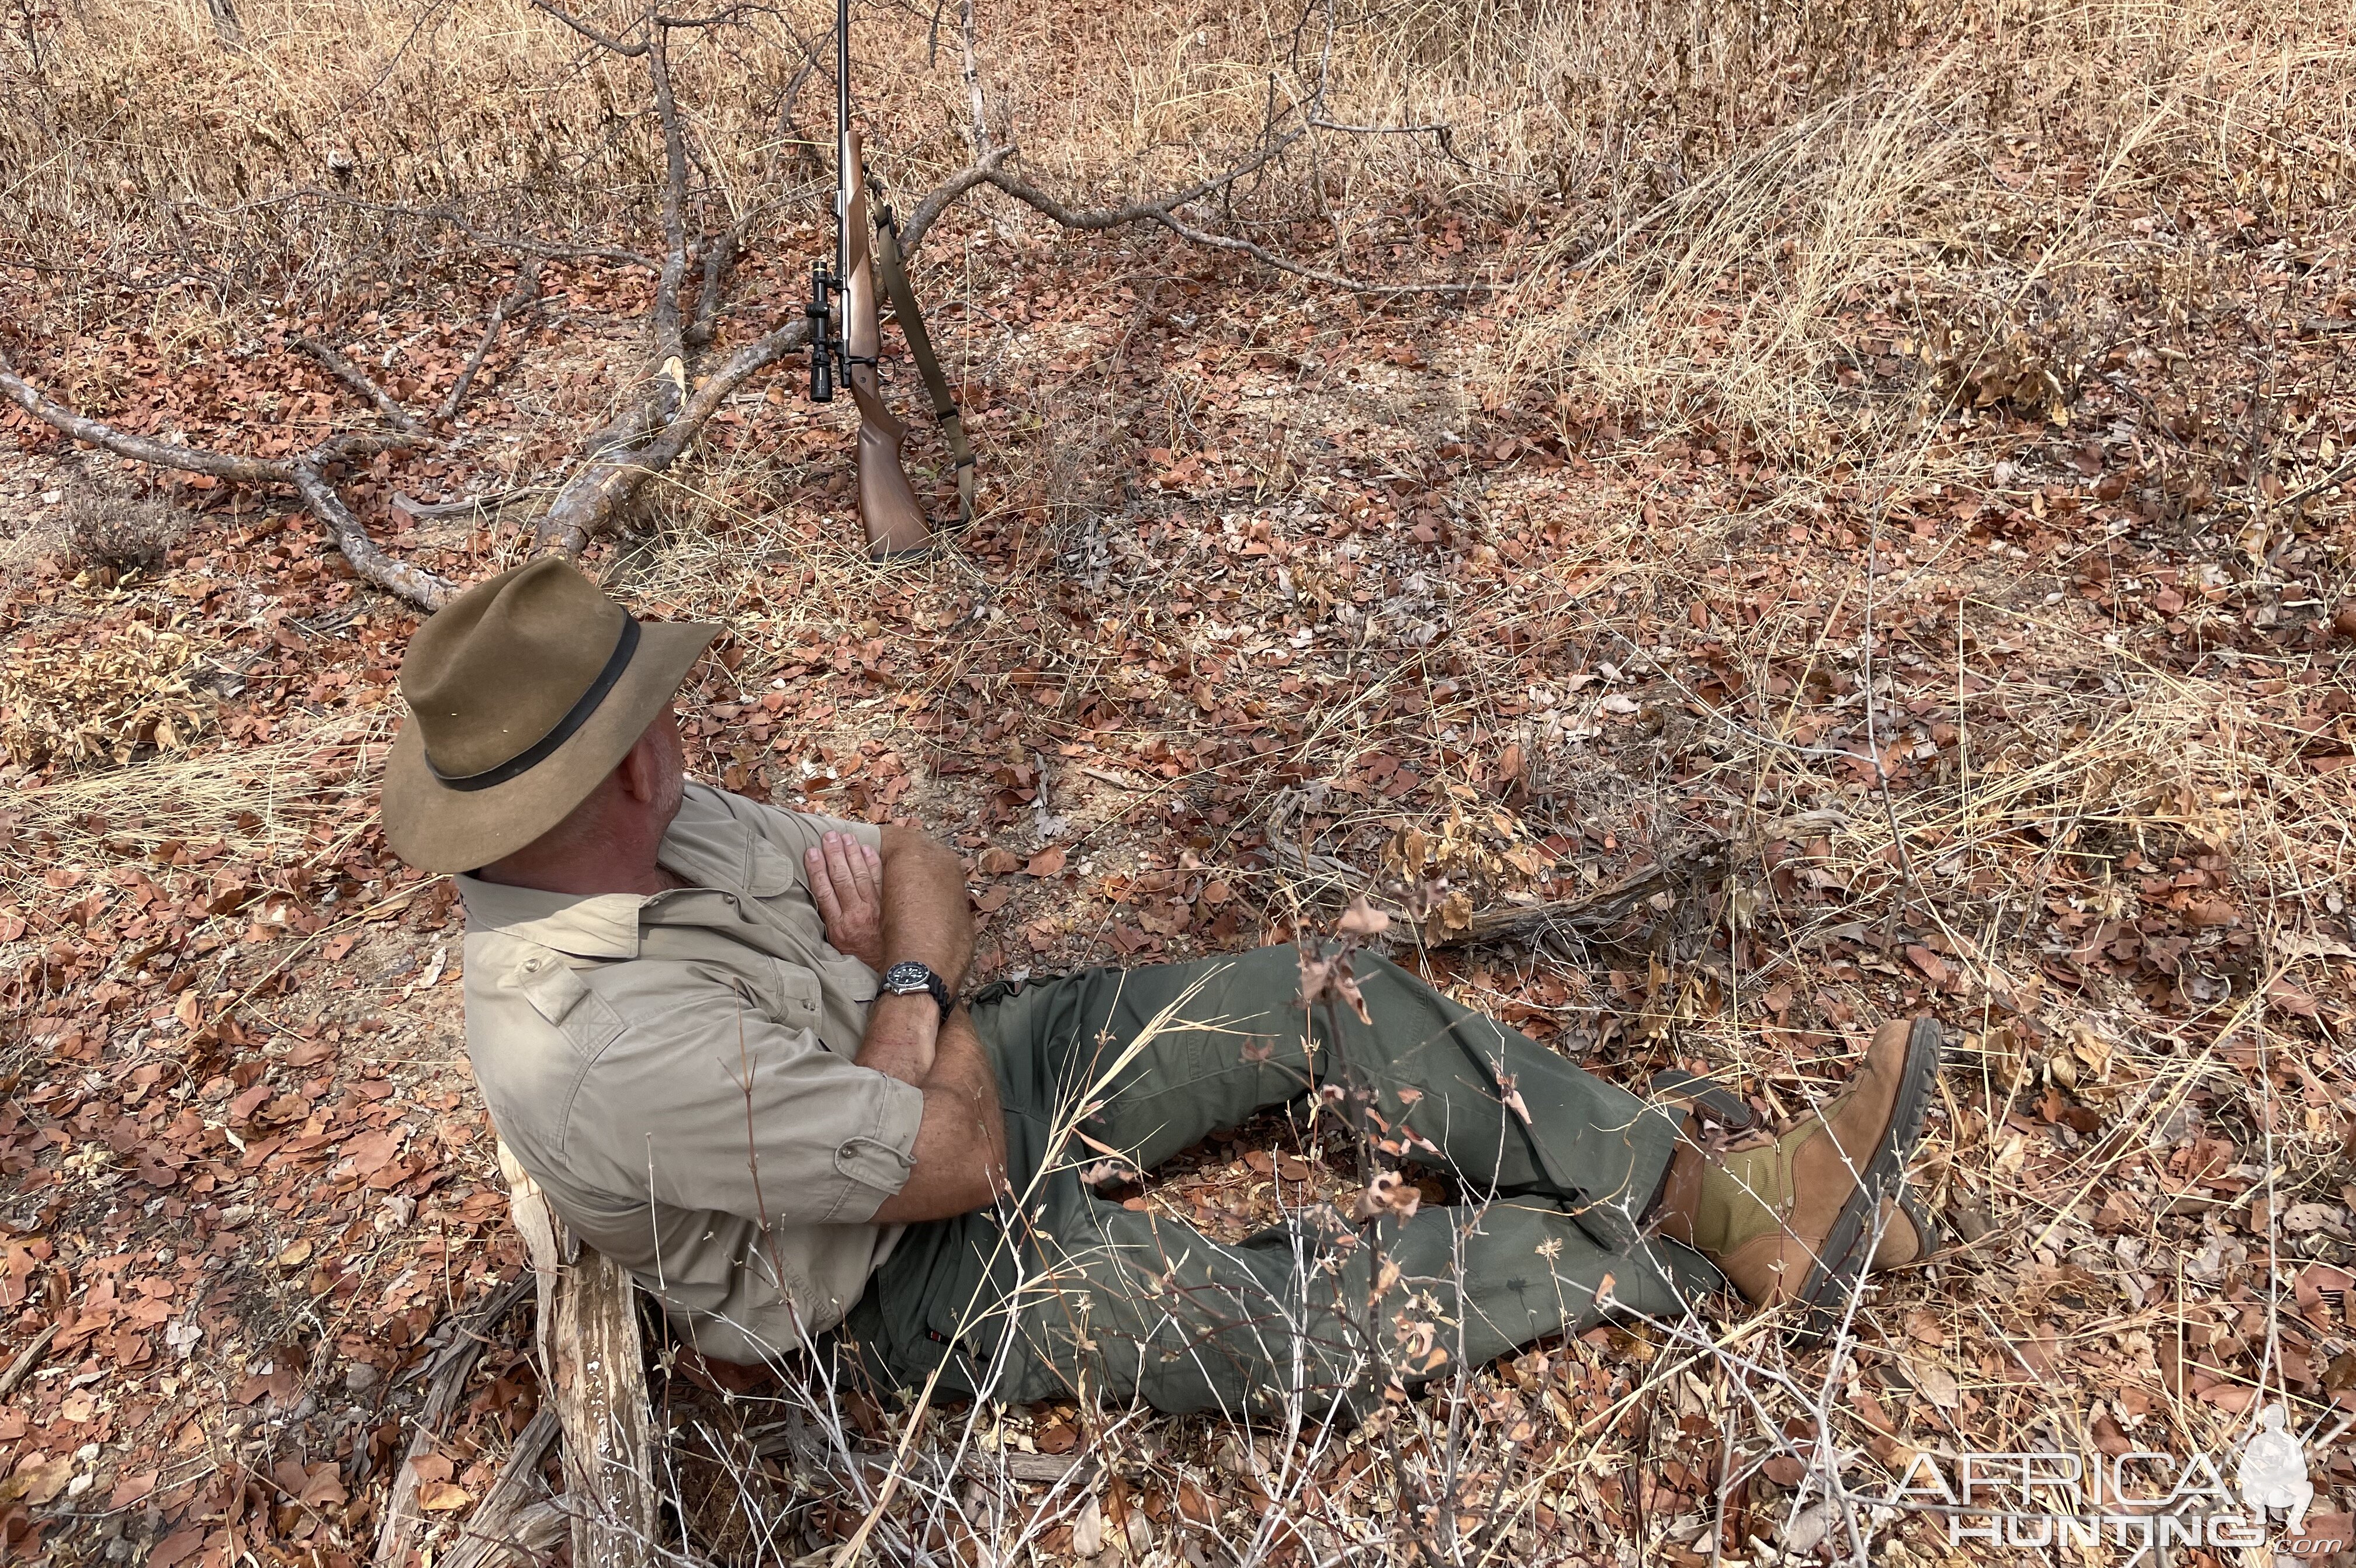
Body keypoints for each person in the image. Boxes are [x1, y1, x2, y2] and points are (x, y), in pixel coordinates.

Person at [382, 559, 1941, 1416]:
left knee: (1319, 994)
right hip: (880, 1284)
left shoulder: (656, 822)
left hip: (955, 1067)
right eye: (632, 738)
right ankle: (1686, 1262)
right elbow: (957, 1164)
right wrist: (911, 993)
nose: (674, 740)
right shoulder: (582, 1044)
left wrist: (907, 988)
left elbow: (920, 862)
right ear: (544, 806)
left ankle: (1712, 1193)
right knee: (1267, 1321)